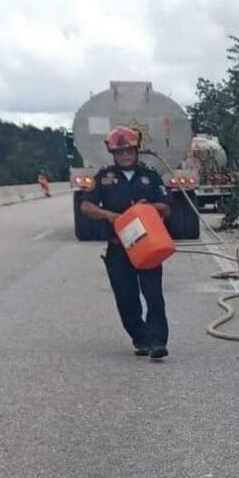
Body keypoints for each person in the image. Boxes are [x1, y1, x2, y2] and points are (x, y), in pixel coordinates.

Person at [80, 126, 172, 360]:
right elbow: (86, 206)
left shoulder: (150, 175)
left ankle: (157, 341)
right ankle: (141, 338)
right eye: (120, 152)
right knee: (126, 297)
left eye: (129, 151)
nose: (125, 155)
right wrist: (108, 215)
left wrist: (147, 208)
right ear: (113, 154)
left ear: (136, 150)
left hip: (147, 244)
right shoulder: (103, 177)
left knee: (153, 295)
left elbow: (167, 206)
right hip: (119, 247)